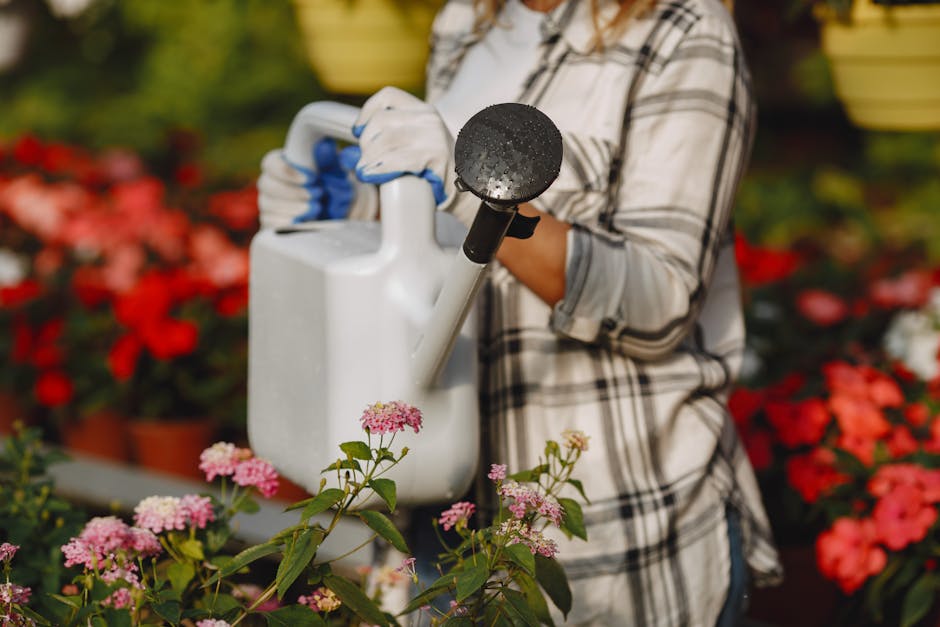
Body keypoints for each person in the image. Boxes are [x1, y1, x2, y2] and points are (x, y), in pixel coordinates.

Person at [258, 0, 783, 623]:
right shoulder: (468, 21)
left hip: (611, 546)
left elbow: (659, 301)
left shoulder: (681, 31)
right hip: (443, 512)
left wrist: (471, 181)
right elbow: (448, 256)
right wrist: (353, 212)